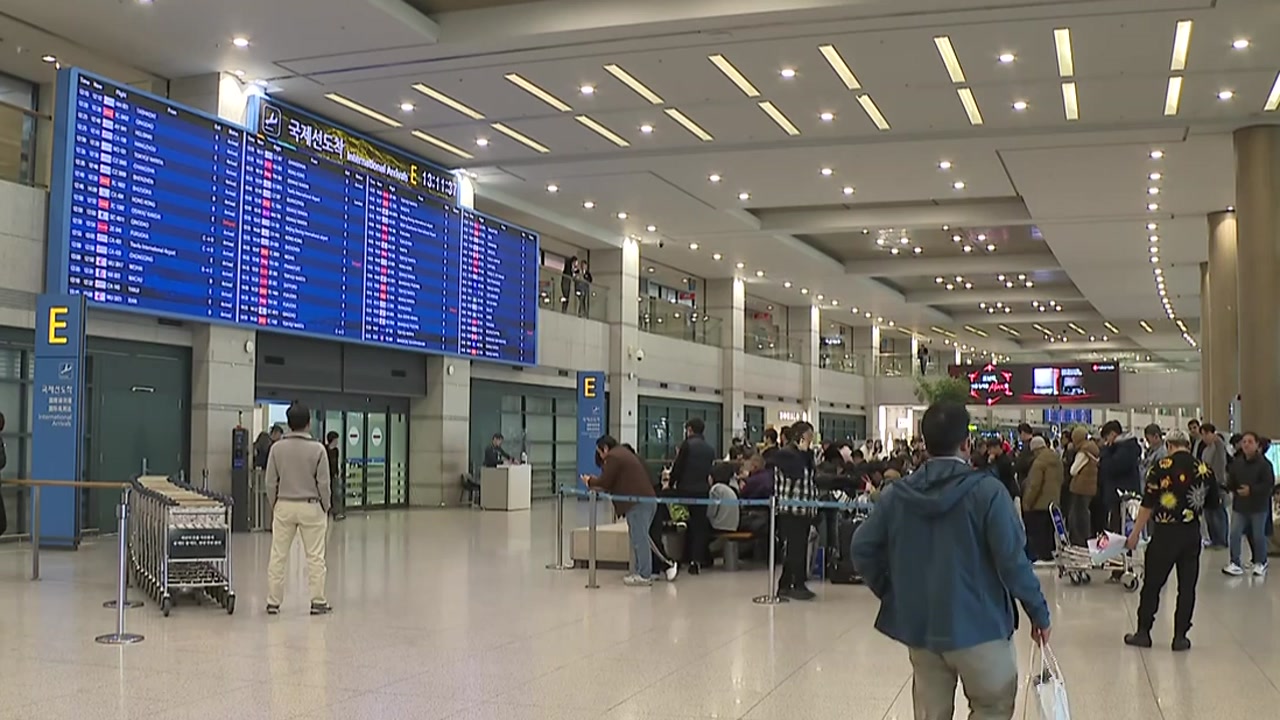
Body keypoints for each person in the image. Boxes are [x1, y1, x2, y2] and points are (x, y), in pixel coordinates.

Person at [851, 402, 1051, 720]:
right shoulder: (988, 493)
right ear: (966, 444)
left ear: (924, 443)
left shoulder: (897, 495)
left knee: (931, 713)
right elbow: (1013, 562)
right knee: (992, 707)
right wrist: (1038, 612)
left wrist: (893, 592)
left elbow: (862, 548)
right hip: (982, 625)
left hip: (923, 627)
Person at [1124, 429, 1221, 651]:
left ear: (1169, 445)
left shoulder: (1159, 467)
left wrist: (1135, 533)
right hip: (1191, 533)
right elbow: (1213, 504)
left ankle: (1143, 632)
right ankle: (1180, 637)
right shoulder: (1205, 469)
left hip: (1165, 533)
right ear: (1188, 445)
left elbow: (1147, 504)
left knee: (1152, 584)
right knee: (1187, 587)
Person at [265, 403, 332, 616]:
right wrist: (326, 505)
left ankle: (273, 601)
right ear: (308, 423)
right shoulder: (318, 449)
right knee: (315, 556)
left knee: (278, 555)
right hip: (311, 506)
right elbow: (324, 483)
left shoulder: (277, 449)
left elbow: (270, 482)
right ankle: (317, 601)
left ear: (289, 423)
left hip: (284, 504)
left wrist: (275, 504)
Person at [583, 435, 660, 586]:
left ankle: (644, 574)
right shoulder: (623, 453)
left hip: (637, 503)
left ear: (605, 449)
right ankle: (641, 571)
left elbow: (605, 481)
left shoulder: (613, 457)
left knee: (639, 539)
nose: (601, 457)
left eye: (600, 452)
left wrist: (590, 481)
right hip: (645, 500)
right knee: (639, 537)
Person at [771, 420, 819, 600]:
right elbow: (797, 473)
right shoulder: (786, 455)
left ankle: (787, 584)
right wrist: (804, 452)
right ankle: (796, 584)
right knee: (795, 549)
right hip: (791, 509)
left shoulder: (805, 456)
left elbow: (812, 478)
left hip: (804, 509)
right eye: (808, 436)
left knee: (798, 548)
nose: (811, 440)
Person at [1223, 431, 1275, 577]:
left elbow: (1268, 485)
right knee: (1235, 533)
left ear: (1257, 445)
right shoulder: (1237, 463)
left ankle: (1261, 562)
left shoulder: (1265, 465)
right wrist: (1231, 487)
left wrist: (1251, 490)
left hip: (1258, 507)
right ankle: (1235, 562)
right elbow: (1232, 481)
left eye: (1250, 442)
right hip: (1240, 506)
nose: (1246, 444)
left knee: (1258, 535)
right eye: (1244, 442)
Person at [669, 417, 717, 573]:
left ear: (689, 429)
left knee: (684, 522)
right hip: (702, 491)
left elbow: (678, 467)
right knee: (699, 526)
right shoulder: (710, 449)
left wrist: (671, 483)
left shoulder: (687, 445)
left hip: (685, 490)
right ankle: (696, 560)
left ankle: (682, 556)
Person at [1023, 436, 1063, 566]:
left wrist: (1027, 502)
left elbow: (1035, 485)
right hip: (1054, 501)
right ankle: (1049, 554)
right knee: (1049, 531)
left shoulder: (1039, 462)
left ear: (1035, 449)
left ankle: (1041, 556)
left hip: (1039, 503)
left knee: (1039, 532)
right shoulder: (1057, 459)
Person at [1098, 421, 1143, 535]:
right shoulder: (1120, 449)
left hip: (1122, 498)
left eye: (1106, 438)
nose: (1105, 442)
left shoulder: (1126, 449)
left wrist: (1105, 452)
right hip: (1117, 497)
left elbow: (1112, 467)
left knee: (1120, 530)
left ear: (1113, 434)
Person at [1066, 427, 1099, 547]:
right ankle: (1084, 539)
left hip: (1080, 488)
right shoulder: (1093, 448)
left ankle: (1079, 540)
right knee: (1084, 514)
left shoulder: (1083, 451)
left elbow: (1073, 470)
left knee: (1078, 516)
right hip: (1089, 488)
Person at [1199, 424, 1230, 548]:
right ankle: (1214, 539)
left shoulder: (1218, 446)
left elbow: (1221, 459)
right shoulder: (1206, 449)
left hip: (1218, 484)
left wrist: (1216, 438)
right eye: (1203, 435)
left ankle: (1221, 540)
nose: (1204, 437)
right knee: (1209, 514)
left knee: (1218, 513)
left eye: (1206, 434)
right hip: (1207, 485)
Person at [325, 430, 345, 521]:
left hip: (334, 475)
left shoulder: (336, 451)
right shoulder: (324, 449)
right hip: (325, 475)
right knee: (326, 493)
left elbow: (336, 462)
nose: (337, 442)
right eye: (336, 440)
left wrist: (337, 472)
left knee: (336, 494)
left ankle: (337, 513)